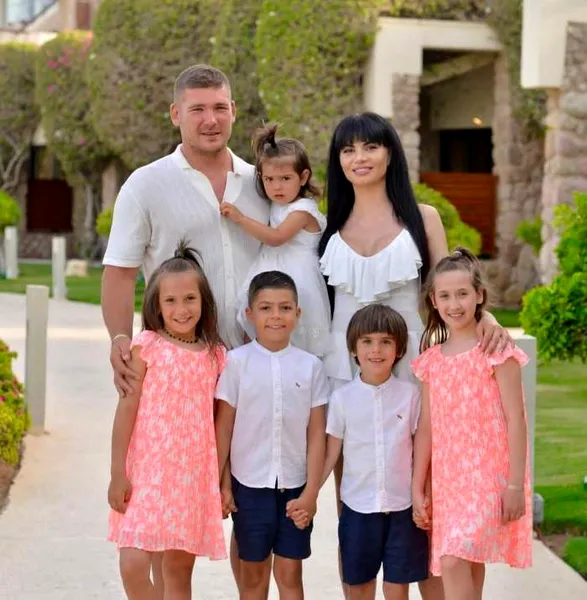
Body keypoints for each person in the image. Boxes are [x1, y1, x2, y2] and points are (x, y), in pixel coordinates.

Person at [317, 112, 512, 600]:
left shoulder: (422, 219)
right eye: (348, 150)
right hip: (349, 378)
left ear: (391, 153)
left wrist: (487, 318)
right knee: (354, 509)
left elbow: (450, 287)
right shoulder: (327, 226)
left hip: (418, 374)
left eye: (370, 146)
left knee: (428, 502)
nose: (359, 158)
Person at [101, 64, 269, 397]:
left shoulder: (263, 184)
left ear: (233, 111)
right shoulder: (145, 185)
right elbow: (120, 272)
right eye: (198, 110)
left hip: (256, 364)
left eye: (220, 108)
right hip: (177, 368)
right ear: (176, 114)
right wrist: (120, 338)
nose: (211, 120)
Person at [107, 241, 227, 600]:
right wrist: (117, 472)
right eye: (170, 301)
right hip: (146, 475)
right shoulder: (146, 347)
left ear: (204, 301)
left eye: (190, 299)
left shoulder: (216, 356)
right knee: (132, 562)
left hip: (190, 480)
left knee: (176, 574)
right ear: (156, 306)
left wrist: (220, 482)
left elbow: (221, 424)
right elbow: (126, 410)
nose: (181, 309)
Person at [411, 247, 532, 600]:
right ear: (433, 301)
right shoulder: (431, 362)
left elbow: (516, 419)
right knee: (467, 561)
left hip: (489, 477)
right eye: (445, 296)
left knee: (452, 559)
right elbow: (427, 428)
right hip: (449, 482)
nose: (454, 304)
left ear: (479, 295)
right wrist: (418, 486)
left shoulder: (496, 350)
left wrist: (515, 485)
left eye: (462, 294)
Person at [214, 271, 329, 600]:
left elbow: (316, 434)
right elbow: (223, 428)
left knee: (291, 573)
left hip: (295, 488)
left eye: (285, 307)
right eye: (266, 308)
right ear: (250, 314)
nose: (276, 316)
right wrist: (221, 484)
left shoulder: (311, 367)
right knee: (253, 575)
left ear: (298, 313)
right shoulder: (236, 363)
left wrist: (311, 493)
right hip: (249, 485)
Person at [318, 304, 429, 600]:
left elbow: (421, 449)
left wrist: (422, 495)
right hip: (358, 508)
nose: (376, 350)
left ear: (399, 349)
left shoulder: (411, 396)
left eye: (385, 342)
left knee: (397, 589)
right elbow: (331, 454)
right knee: (359, 588)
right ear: (353, 349)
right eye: (367, 341)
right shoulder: (342, 399)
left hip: (402, 508)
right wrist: (309, 494)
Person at [219, 123, 330, 356]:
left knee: (296, 332)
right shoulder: (275, 204)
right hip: (269, 271)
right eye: (269, 179)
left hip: (298, 277)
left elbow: (277, 237)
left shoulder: (302, 210)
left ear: (303, 177)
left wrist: (241, 219)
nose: (276, 186)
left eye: (285, 178)